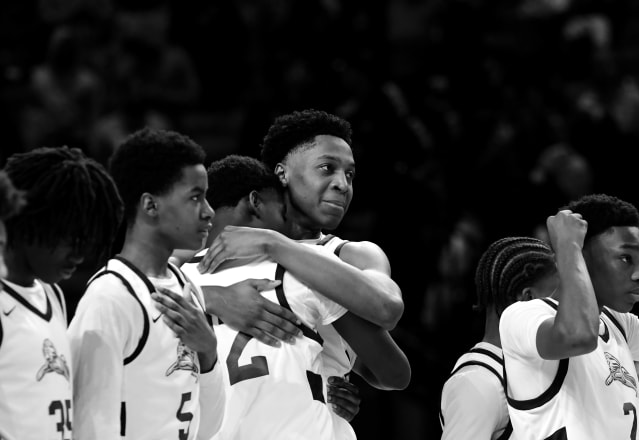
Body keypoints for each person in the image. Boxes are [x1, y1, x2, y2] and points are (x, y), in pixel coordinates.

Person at [198, 109, 406, 438]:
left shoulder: (351, 254)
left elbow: (387, 308)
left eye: (350, 175)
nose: (342, 184)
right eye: (327, 168)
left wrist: (330, 378)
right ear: (282, 173)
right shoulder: (229, 248)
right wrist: (211, 297)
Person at [67, 128, 222, 439]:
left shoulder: (186, 288)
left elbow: (209, 428)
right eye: (195, 197)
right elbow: (90, 429)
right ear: (150, 205)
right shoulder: (110, 298)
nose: (209, 212)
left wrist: (209, 352)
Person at [500, 194, 639, 439]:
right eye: (626, 259)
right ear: (582, 256)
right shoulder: (524, 316)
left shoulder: (617, 324)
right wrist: (568, 246)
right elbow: (579, 337)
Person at [0, 147, 123, 440]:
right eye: (71, 238)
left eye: (87, 239)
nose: (80, 254)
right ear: (29, 220)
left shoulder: (52, 294)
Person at [440, 236, 558, 439]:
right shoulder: (478, 382)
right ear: (527, 298)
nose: (565, 311)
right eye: (558, 299)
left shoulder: (535, 368)